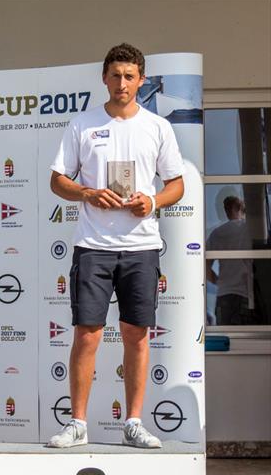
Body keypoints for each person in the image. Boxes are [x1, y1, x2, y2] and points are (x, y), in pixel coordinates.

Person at [47, 43, 185, 448]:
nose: (122, 83)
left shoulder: (158, 127)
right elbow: (58, 180)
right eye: (115, 75)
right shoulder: (83, 124)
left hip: (141, 247)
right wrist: (88, 193)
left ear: (141, 80)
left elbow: (177, 184)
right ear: (103, 78)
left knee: (136, 334)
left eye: (130, 76)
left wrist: (154, 200)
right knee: (87, 334)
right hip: (93, 246)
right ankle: (77, 423)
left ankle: (134, 422)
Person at [206, 195, 256, 325]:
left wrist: (218, 281)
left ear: (227, 210)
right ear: (240, 208)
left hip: (224, 293)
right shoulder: (249, 229)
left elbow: (205, 266)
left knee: (225, 335)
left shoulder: (216, 233)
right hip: (246, 293)